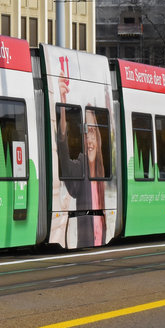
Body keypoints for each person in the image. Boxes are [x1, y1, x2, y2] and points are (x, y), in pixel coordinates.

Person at [53, 74, 108, 248]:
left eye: (92, 131)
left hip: (101, 244)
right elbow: (62, 146)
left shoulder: (103, 171)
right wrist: (62, 106)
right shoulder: (80, 166)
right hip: (86, 245)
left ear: (98, 136)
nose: (89, 139)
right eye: (86, 133)